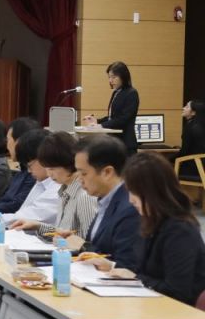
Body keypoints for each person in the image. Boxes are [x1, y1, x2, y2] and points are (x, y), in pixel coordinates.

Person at [121, 152, 205, 304]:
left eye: (134, 192)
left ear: (152, 191)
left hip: (178, 312)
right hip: (151, 304)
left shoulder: (180, 231)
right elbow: (142, 270)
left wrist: (135, 279)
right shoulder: (151, 221)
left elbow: (177, 292)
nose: (130, 200)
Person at [57, 135, 143, 270]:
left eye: (84, 173)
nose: (79, 179)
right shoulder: (105, 199)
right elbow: (100, 248)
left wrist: (82, 246)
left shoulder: (130, 208)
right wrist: (78, 242)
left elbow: (126, 266)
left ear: (107, 172)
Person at [10, 131, 98, 240]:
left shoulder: (84, 197)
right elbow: (62, 232)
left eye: (52, 169)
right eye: (47, 168)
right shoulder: (64, 190)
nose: (49, 174)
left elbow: (90, 243)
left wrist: (69, 242)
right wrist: (37, 226)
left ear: (67, 163)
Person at [83, 61, 140, 154]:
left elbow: (123, 118)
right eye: (109, 77)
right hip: (114, 142)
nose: (110, 81)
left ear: (123, 76)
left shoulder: (132, 93)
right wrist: (97, 121)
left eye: (113, 77)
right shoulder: (116, 92)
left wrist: (101, 126)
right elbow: (112, 117)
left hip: (126, 144)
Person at [177, 99, 205, 179]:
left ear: (193, 113)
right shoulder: (200, 126)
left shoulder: (190, 128)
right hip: (201, 168)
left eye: (186, 106)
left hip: (193, 169)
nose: (183, 108)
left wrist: (169, 159)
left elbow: (183, 152)